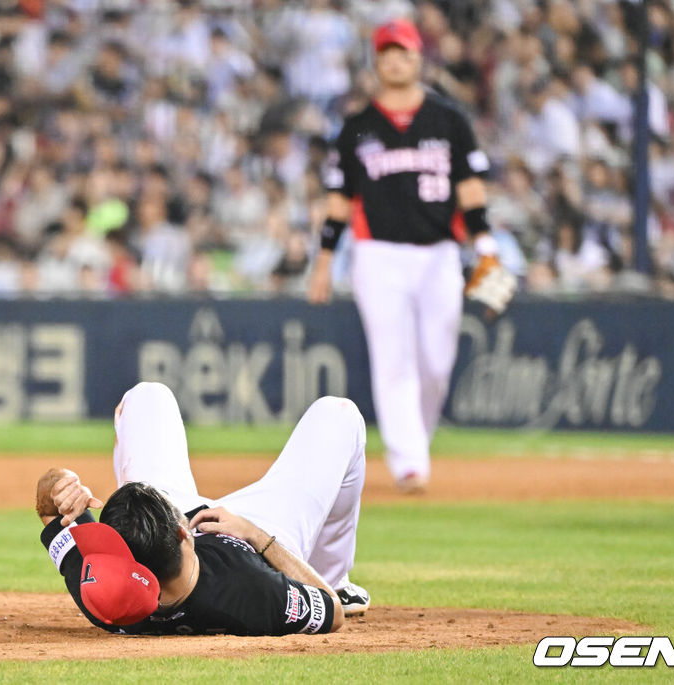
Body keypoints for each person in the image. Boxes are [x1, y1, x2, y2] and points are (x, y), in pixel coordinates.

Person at [307, 18, 514, 494]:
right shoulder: (358, 128)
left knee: (437, 362)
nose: (397, 60)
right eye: (388, 52)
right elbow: (339, 201)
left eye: (405, 51)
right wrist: (324, 261)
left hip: (440, 253)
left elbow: (471, 188)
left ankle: (415, 441)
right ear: (377, 61)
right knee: (393, 359)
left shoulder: (449, 119)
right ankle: (409, 463)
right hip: (377, 255)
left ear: (419, 58)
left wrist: (486, 247)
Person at [35, 381, 369, 636]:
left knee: (147, 396)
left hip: (159, 542)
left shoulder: (106, 590)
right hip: (266, 535)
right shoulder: (251, 590)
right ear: (184, 531)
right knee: (340, 415)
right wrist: (254, 534)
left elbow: (48, 510)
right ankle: (335, 575)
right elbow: (332, 611)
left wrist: (60, 485)